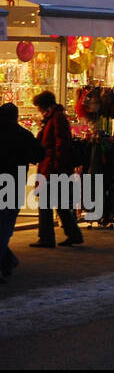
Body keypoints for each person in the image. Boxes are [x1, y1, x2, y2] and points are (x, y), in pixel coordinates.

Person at [30, 91, 82, 248]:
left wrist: (55, 165)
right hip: (53, 167)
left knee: (47, 204)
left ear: (45, 105)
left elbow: (61, 143)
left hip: (53, 169)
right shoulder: (52, 117)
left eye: (39, 107)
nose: (38, 110)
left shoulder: (56, 118)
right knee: (60, 203)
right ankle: (73, 234)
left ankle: (46, 237)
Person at [0, 103, 42, 279]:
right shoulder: (22, 134)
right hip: (13, 183)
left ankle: (7, 261)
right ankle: (6, 261)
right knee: (4, 227)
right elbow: (38, 154)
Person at [85, 129, 114, 228]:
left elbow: (93, 163)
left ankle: (98, 215)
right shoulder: (112, 144)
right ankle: (107, 216)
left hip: (98, 173)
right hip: (108, 174)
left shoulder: (96, 145)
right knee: (108, 195)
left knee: (97, 194)